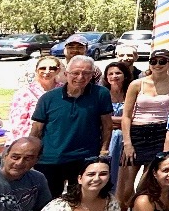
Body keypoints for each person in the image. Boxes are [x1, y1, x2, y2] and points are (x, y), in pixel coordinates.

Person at [31, 56, 114, 197]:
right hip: (50, 159)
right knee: (48, 201)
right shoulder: (48, 98)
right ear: (66, 74)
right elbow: (36, 130)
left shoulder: (101, 94)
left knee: (80, 200)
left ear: (92, 75)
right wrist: (31, 154)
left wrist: (104, 151)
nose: (80, 77)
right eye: (75, 73)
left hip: (84, 158)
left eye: (86, 73)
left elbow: (107, 125)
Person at [120, 48, 169, 206]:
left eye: (162, 61)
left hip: (161, 133)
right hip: (137, 133)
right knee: (126, 188)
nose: (157, 65)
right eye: (153, 61)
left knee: (147, 184)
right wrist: (127, 143)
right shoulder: (136, 84)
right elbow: (126, 116)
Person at [8, 58, 60, 142]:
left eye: (52, 68)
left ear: (58, 70)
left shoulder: (64, 90)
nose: (47, 71)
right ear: (36, 70)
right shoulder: (24, 92)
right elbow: (17, 123)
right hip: (30, 139)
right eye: (43, 68)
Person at [100, 60, 134, 188]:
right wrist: (123, 119)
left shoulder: (131, 93)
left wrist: (110, 119)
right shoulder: (102, 94)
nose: (114, 76)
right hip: (105, 136)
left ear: (125, 75)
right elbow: (98, 117)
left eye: (118, 73)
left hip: (126, 137)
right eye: (110, 74)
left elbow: (133, 117)